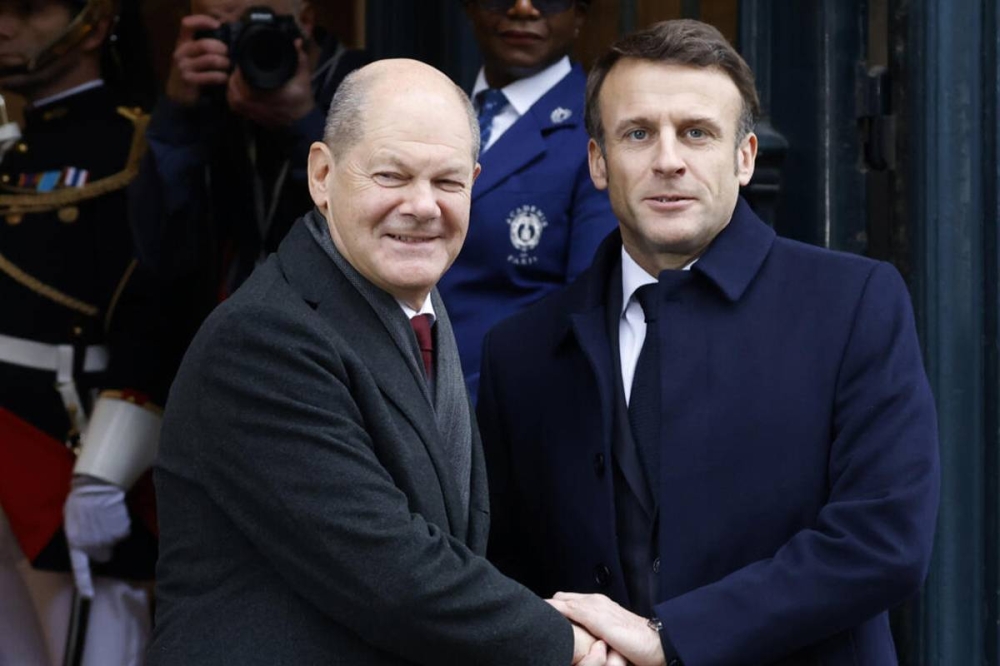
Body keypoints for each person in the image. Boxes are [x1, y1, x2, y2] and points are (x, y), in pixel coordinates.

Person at [477, 19, 940, 666]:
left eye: (697, 132)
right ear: (598, 162)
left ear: (744, 157)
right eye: (638, 134)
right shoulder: (520, 351)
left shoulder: (854, 304)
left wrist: (672, 638)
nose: (668, 160)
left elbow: (884, 541)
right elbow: (509, 572)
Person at [149, 58, 612, 666]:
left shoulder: (416, 304)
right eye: (392, 176)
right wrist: (572, 644)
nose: (423, 206)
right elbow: (392, 572)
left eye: (448, 182)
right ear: (322, 175)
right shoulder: (264, 339)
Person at [0, 1, 173, 664]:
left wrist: (103, 472)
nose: (4, 25)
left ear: (94, 25)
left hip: (64, 455)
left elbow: (158, 318)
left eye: (29, 9)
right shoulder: (15, 145)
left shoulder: (135, 146)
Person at [129, 0, 369, 324]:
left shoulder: (366, 90)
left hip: (333, 330)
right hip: (226, 328)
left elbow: (370, 232)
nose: (248, 38)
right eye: (223, 28)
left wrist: (304, 126)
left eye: (259, 22)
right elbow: (160, 255)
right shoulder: (209, 95)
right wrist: (177, 114)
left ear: (306, 20)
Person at [438, 0, 617, 401]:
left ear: (579, 14)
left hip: (502, 404)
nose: (522, 7)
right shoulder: (432, 112)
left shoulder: (598, 132)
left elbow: (585, 313)